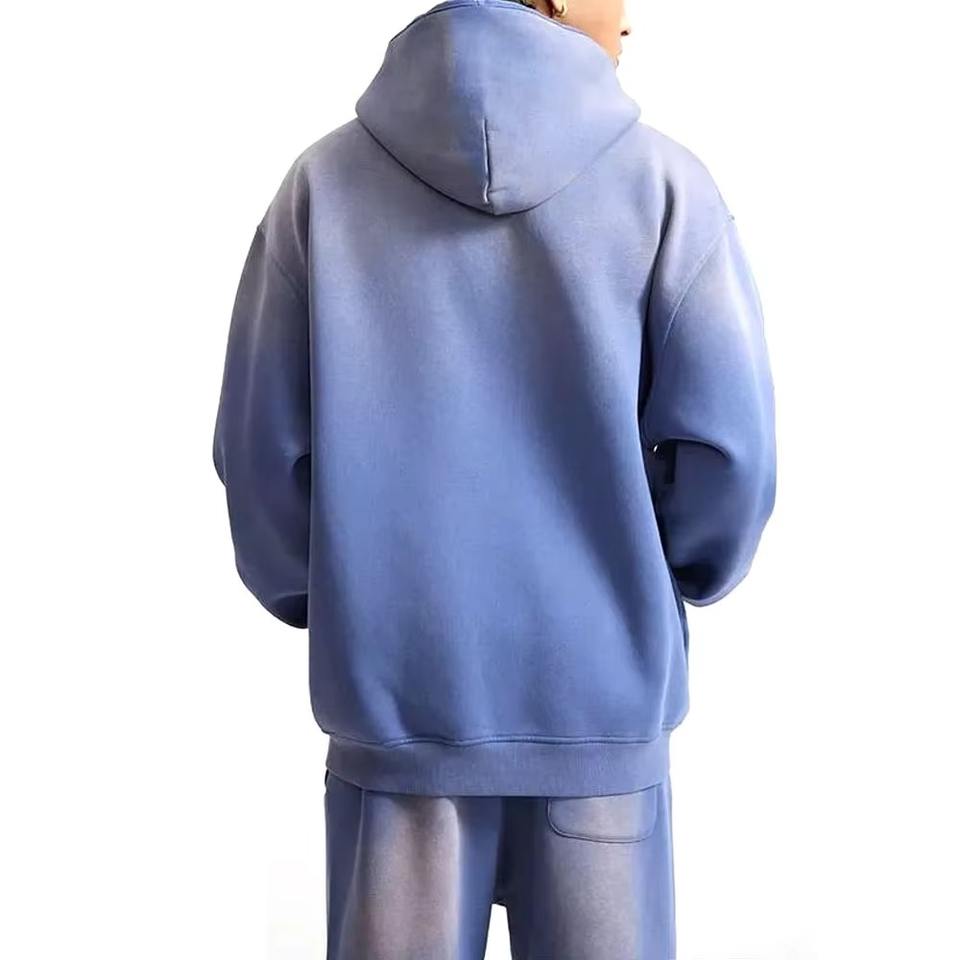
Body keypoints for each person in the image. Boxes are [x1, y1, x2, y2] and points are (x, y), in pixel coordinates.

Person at [212, 0, 777, 956]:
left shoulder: (322, 188)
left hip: (398, 719)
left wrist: (344, 601)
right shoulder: (664, 187)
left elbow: (262, 452)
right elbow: (729, 454)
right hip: (599, 719)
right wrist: (664, 577)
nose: (633, 18)